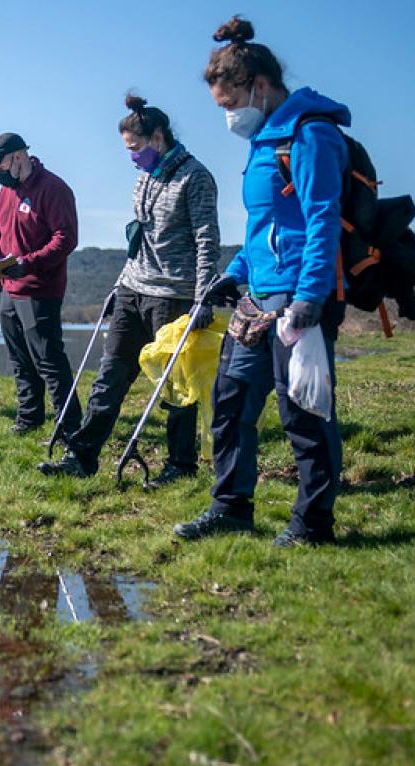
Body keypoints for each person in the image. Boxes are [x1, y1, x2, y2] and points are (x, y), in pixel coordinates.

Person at [174, 16, 349, 547]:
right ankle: (231, 507)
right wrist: (233, 274)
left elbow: (321, 218)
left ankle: (313, 523)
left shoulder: (310, 134)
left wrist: (310, 298)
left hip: (300, 300)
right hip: (257, 297)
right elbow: (263, 228)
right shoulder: (263, 140)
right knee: (230, 405)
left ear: (261, 87)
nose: (229, 116)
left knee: (305, 414)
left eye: (231, 104)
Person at [38, 95, 221, 482]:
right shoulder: (143, 179)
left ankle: (180, 465)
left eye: (135, 148)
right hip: (132, 290)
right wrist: (118, 284)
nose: (132, 157)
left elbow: (207, 238)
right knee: (111, 375)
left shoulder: (196, 177)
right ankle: (82, 456)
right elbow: (139, 239)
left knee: (173, 384)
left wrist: (204, 295)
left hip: (174, 294)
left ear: (157, 138)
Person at [0, 132, 82, 435]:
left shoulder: (54, 188)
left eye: (2, 166)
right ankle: (29, 419)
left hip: (40, 289)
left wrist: (29, 263)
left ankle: (69, 425)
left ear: (18, 157)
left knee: (48, 360)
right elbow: (2, 228)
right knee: (20, 360)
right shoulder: (6, 192)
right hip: (8, 286)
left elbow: (66, 238)